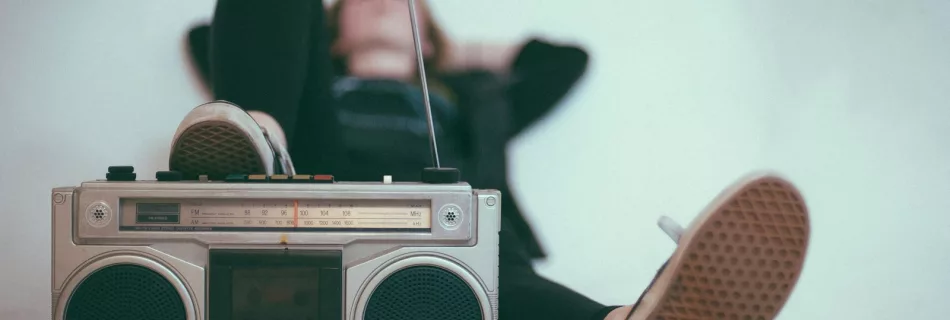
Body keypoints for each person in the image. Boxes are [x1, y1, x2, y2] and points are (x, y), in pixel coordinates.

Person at [171, 0, 812, 319]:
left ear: (428, 32)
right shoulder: (316, 85)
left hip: (459, 230)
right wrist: (289, 74)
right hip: (322, 192)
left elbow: (565, 62)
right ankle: (256, 152)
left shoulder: (472, 99)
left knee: (497, 267)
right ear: (334, 27)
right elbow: (216, 35)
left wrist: (453, 53)